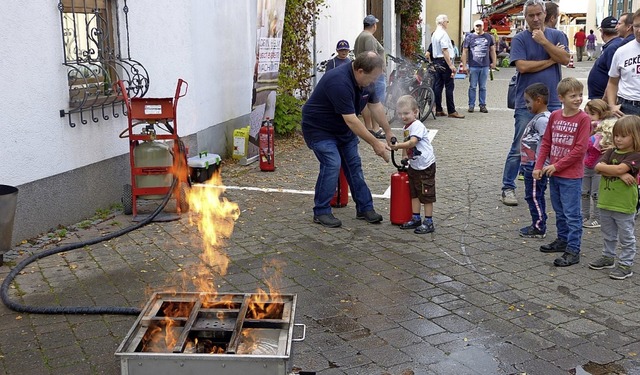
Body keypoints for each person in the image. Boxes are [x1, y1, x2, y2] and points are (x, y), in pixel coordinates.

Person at [301, 51, 393, 228]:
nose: (374, 82)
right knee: (332, 163)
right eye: (372, 77)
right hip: (319, 129)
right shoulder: (338, 81)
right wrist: (376, 143)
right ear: (359, 71)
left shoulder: (367, 80)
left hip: (342, 129)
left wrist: (388, 132)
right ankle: (321, 211)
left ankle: (365, 208)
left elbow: (375, 106)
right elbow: (351, 120)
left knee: (354, 165)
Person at [499, 0, 569, 206]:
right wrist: (550, 59)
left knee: (555, 147)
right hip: (526, 102)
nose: (536, 19)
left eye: (539, 14)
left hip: (554, 101)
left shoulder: (556, 36)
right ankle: (508, 187)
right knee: (519, 146)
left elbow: (565, 59)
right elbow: (522, 66)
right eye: (531, 15)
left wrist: (544, 43)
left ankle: (555, 189)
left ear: (545, 13)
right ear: (526, 17)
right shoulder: (520, 38)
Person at [533, 77, 591, 267]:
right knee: (559, 210)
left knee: (572, 214)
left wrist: (557, 166)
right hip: (554, 174)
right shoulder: (555, 116)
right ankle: (562, 240)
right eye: (572, 95)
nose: (578, 99)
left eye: (580, 95)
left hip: (571, 176)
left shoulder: (583, 119)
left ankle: (573, 250)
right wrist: (538, 166)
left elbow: (580, 150)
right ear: (561, 98)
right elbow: (546, 143)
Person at [590, 116, 640, 279]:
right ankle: (608, 257)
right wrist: (620, 173)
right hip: (606, 201)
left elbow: (617, 169)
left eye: (623, 135)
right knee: (608, 234)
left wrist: (617, 171)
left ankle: (626, 264)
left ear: (635, 136)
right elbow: (597, 167)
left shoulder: (635, 155)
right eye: (616, 135)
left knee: (626, 236)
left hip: (623, 204)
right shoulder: (611, 151)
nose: (618, 139)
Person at [390, 95, 437, 234]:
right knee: (414, 193)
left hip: (425, 166)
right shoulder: (406, 127)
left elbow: (412, 142)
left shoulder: (417, 126)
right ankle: (416, 218)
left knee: (426, 194)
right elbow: (407, 145)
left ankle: (429, 221)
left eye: (406, 113)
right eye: (400, 114)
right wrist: (404, 157)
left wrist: (397, 146)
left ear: (415, 112)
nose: (403, 116)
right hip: (415, 166)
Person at [518, 83, 551, 239]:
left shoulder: (543, 120)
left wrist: (541, 165)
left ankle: (538, 226)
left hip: (535, 167)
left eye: (528, 102)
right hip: (531, 165)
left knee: (533, 196)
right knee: (534, 195)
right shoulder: (540, 118)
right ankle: (538, 223)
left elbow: (545, 143)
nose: (526, 106)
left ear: (538, 100)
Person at [582, 99, 616, 229]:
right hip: (586, 165)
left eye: (591, 114)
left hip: (599, 167)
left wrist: (612, 147)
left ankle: (597, 217)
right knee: (583, 192)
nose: (588, 116)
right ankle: (583, 215)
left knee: (596, 194)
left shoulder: (608, 128)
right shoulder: (586, 126)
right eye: (586, 113)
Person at [354, 14, 386, 139]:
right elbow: (371, 57)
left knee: (366, 100)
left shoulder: (360, 36)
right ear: (374, 25)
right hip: (373, 74)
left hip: (364, 72)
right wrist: (377, 72)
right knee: (375, 100)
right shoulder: (369, 38)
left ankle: (368, 127)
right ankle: (376, 128)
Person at [605, 9, 640, 117]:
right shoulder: (622, 51)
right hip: (628, 107)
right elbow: (612, 82)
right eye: (636, 26)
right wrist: (611, 105)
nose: (638, 30)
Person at [431, 14, 465, 119]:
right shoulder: (443, 34)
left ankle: (439, 109)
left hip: (436, 61)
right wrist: (451, 65)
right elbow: (444, 50)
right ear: (442, 22)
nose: (447, 23)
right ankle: (451, 110)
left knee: (438, 86)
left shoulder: (435, 34)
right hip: (444, 62)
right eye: (447, 21)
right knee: (449, 86)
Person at [461, 19, 497, 113]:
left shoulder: (488, 37)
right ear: (474, 27)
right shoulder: (469, 37)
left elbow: (492, 50)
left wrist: (494, 62)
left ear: (483, 26)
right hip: (473, 66)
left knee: (483, 87)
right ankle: (471, 105)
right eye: (476, 26)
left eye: (479, 26)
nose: (478, 28)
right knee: (472, 86)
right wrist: (464, 65)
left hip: (485, 66)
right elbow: (465, 51)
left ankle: (482, 105)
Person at [587, 17, 621, 99]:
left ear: (602, 31)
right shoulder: (612, 45)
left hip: (604, 98)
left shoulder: (613, 47)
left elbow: (614, 76)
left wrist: (606, 99)